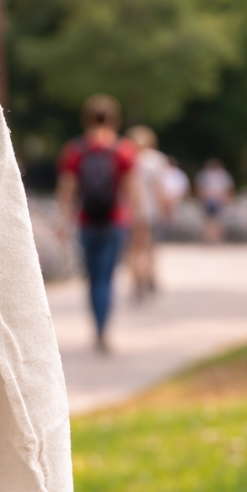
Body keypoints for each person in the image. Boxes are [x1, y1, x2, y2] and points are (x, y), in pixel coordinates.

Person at [57, 95, 139, 351]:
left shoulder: (76, 149)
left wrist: (62, 220)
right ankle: (103, 330)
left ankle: (97, 326)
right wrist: (136, 219)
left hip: (86, 222)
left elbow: (67, 189)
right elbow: (130, 189)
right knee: (107, 277)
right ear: (115, 119)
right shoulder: (123, 150)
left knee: (93, 278)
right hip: (114, 221)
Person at [127, 125, 166, 299]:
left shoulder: (127, 158)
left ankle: (136, 281)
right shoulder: (156, 160)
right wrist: (165, 208)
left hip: (130, 210)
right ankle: (149, 276)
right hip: (150, 210)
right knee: (149, 246)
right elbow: (160, 188)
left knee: (133, 249)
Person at [195, 158, 234, 243]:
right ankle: (214, 239)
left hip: (216, 200)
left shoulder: (205, 174)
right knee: (214, 221)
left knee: (212, 221)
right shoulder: (222, 174)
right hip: (210, 200)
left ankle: (211, 239)